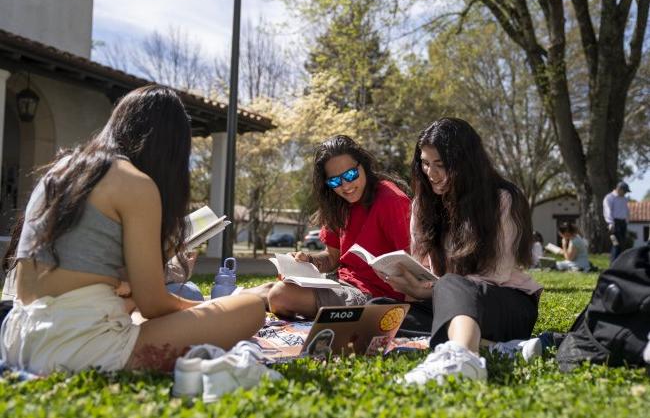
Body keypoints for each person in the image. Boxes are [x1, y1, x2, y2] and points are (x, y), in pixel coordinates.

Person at [0, 85, 265, 375]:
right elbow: (153, 304)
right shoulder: (135, 183)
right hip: (77, 348)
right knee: (250, 307)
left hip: (18, 337)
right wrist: (214, 308)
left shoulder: (62, 168)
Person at [386, 118, 542, 385]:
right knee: (384, 313)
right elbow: (427, 270)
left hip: (505, 303)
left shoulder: (503, 199)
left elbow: (497, 273)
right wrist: (413, 284)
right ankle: (496, 348)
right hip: (449, 299)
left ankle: (462, 358)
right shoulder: (423, 206)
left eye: (441, 165)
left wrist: (428, 290)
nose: (431, 174)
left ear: (465, 164)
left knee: (451, 285)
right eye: (425, 163)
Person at [249, 135, 411, 319]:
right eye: (335, 181)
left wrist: (408, 313)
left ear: (364, 165)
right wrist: (309, 261)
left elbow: (413, 262)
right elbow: (333, 259)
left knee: (280, 295)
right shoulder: (337, 203)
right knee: (259, 292)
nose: (345, 186)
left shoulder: (391, 200)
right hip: (341, 284)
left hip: (375, 297)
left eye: (350, 175)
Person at [603, 182, 630, 263]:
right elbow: (608, 211)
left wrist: (626, 221)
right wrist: (610, 223)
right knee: (616, 244)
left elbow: (626, 211)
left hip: (622, 223)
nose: (625, 193)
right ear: (619, 189)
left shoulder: (624, 199)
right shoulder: (609, 197)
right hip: (614, 223)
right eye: (624, 191)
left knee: (622, 245)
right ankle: (613, 264)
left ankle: (619, 263)